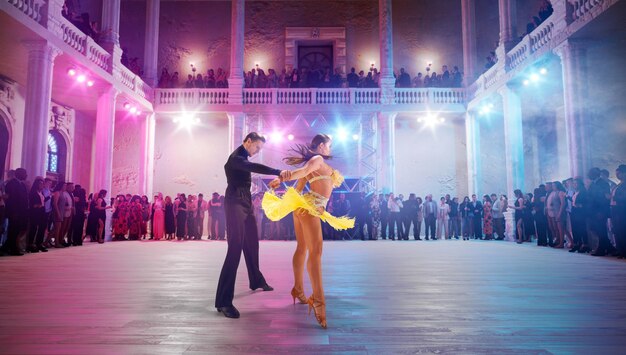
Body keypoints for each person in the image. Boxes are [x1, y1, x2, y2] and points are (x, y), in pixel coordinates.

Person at [263, 134, 355, 329]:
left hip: (303, 208)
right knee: (316, 252)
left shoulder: (314, 163)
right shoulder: (317, 159)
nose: (329, 149)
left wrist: (282, 179)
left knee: (302, 248)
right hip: (310, 207)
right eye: (329, 146)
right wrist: (285, 176)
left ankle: (298, 289)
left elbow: (298, 184)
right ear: (321, 146)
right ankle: (319, 302)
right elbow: (302, 172)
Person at [215, 132, 286, 319]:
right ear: (248, 141)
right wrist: (277, 171)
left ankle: (256, 280)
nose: (257, 151)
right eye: (257, 147)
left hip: (246, 202)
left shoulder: (243, 156)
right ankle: (223, 301)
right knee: (235, 249)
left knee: (252, 243)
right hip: (234, 203)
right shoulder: (236, 158)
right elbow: (252, 166)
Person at [27, 177, 47, 253]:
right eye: (41, 184)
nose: (42, 185)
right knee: (34, 228)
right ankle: (30, 244)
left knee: (42, 228)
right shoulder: (33, 193)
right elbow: (32, 204)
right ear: (37, 184)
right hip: (35, 212)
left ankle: (39, 243)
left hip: (42, 211)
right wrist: (37, 205)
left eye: (43, 184)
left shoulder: (41, 193)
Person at [611, 165, 626, 258]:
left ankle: (624, 250)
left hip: (621, 209)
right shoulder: (619, 184)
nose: (617, 174)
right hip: (615, 209)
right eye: (616, 173)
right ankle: (620, 249)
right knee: (616, 230)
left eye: (619, 172)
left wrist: (614, 197)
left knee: (622, 230)